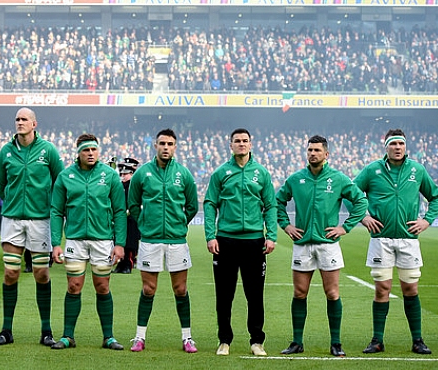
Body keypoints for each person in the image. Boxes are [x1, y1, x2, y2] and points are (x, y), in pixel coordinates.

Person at [276, 134, 368, 357]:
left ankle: (336, 343)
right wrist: (286, 225)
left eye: (317, 150)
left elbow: (360, 201)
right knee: (299, 293)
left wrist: (344, 227)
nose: (312, 153)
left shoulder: (337, 178)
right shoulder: (296, 179)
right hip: (302, 244)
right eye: (309, 150)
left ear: (326, 154)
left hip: (328, 244)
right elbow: (277, 201)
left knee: (332, 292)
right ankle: (297, 342)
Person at [353, 129, 437, 355]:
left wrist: (427, 220)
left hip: (409, 240)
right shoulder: (372, 170)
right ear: (386, 146)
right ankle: (377, 340)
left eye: (401, 143)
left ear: (405, 147)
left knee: (410, 288)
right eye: (393, 144)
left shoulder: (417, 170)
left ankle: (418, 340)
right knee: (382, 289)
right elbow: (351, 192)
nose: (398, 147)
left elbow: (435, 196)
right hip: (381, 240)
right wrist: (363, 216)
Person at [0, 107, 64, 347]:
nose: (19, 122)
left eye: (24, 119)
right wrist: (13, 202)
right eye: (17, 119)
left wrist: (49, 208)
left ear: (34, 124)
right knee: (11, 273)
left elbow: (60, 181)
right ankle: (6, 330)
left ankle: (46, 331)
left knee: (41, 273)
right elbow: (1, 184)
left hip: (40, 220)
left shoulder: (48, 150)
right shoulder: (6, 152)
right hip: (12, 219)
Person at [203, 128, 277, 357]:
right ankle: (224, 340)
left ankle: (257, 341)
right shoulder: (221, 173)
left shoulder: (261, 173)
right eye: (237, 141)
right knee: (224, 295)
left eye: (245, 141)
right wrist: (210, 235)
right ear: (231, 145)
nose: (241, 144)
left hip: (254, 241)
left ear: (251, 144)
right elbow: (209, 204)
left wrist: (271, 235)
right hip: (226, 241)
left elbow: (271, 205)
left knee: (254, 295)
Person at [50, 134, 127, 351]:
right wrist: (56, 242)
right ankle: (68, 336)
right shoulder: (65, 176)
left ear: (99, 151)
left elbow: (120, 211)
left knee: (102, 286)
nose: (91, 154)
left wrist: (119, 243)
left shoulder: (110, 175)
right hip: (75, 239)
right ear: (78, 152)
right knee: (74, 286)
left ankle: (108, 337)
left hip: (103, 240)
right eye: (86, 150)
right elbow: (56, 211)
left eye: (94, 149)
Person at [127, 130, 198, 353]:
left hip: (176, 240)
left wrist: (179, 225)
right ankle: (139, 337)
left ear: (175, 147)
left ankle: (187, 338)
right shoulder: (142, 174)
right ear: (155, 145)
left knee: (180, 289)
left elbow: (192, 206)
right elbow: (134, 204)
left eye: (170, 144)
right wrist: (145, 225)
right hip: (150, 240)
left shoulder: (184, 174)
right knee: (148, 289)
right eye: (162, 143)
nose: (166, 147)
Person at [113, 157, 140, 274]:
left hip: (131, 219)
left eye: (126, 174)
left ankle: (128, 264)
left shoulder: (134, 186)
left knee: (130, 243)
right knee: (120, 242)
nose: (123, 176)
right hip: (122, 219)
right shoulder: (120, 186)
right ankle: (121, 264)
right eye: (122, 174)